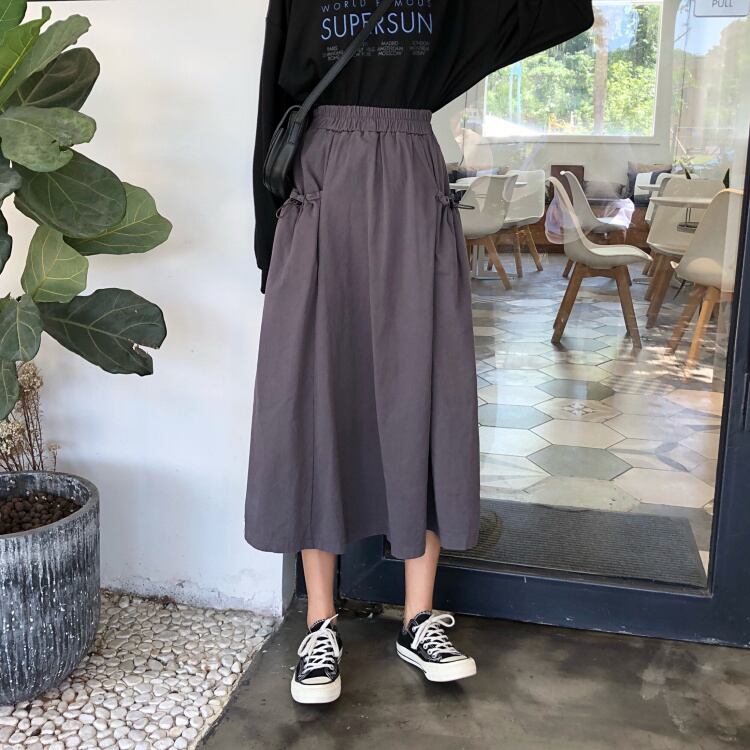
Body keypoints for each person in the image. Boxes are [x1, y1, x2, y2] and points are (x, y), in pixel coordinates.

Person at [246, 0, 595, 704]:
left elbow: (561, 12)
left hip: (410, 185)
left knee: (422, 394)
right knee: (316, 396)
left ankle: (418, 617)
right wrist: (269, 248)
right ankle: (320, 623)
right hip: (323, 195)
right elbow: (272, 108)